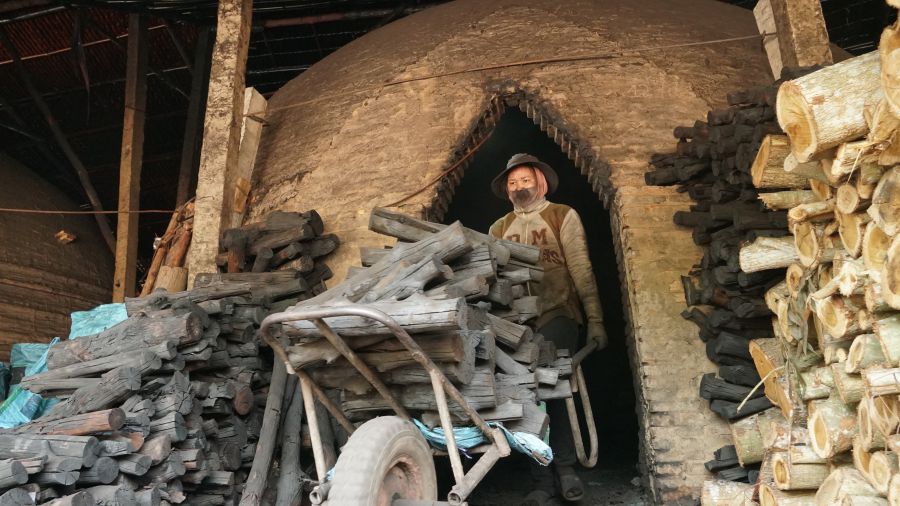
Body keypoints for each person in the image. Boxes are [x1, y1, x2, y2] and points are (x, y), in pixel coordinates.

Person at [488, 153, 607, 505]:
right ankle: (540, 477)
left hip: (558, 314)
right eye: (512, 183)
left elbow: (581, 269)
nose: (519, 187)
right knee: (528, 398)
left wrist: (596, 320)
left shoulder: (561, 215)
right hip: (515, 325)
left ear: (540, 182)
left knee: (554, 390)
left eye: (525, 180)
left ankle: (566, 469)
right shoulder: (498, 227)